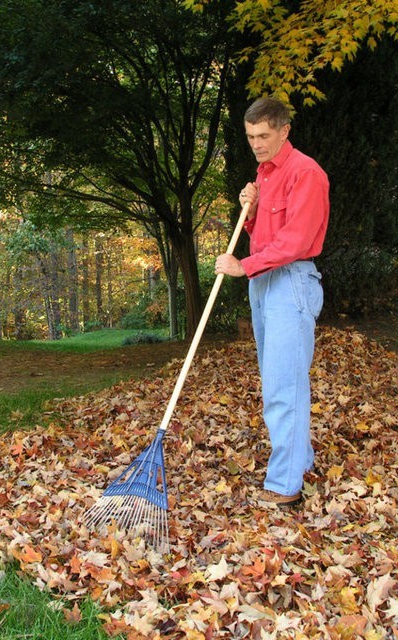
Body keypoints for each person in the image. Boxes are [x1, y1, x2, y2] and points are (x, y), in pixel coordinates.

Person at [215, 96, 329, 507]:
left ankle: (285, 486)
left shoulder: (306, 174)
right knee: (278, 382)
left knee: (285, 385)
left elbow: (296, 241)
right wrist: (252, 210)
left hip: (290, 281)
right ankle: (299, 462)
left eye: (264, 135)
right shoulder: (264, 177)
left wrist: (244, 266)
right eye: (250, 137)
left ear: (284, 131)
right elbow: (263, 236)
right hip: (263, 283)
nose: (257, 144)